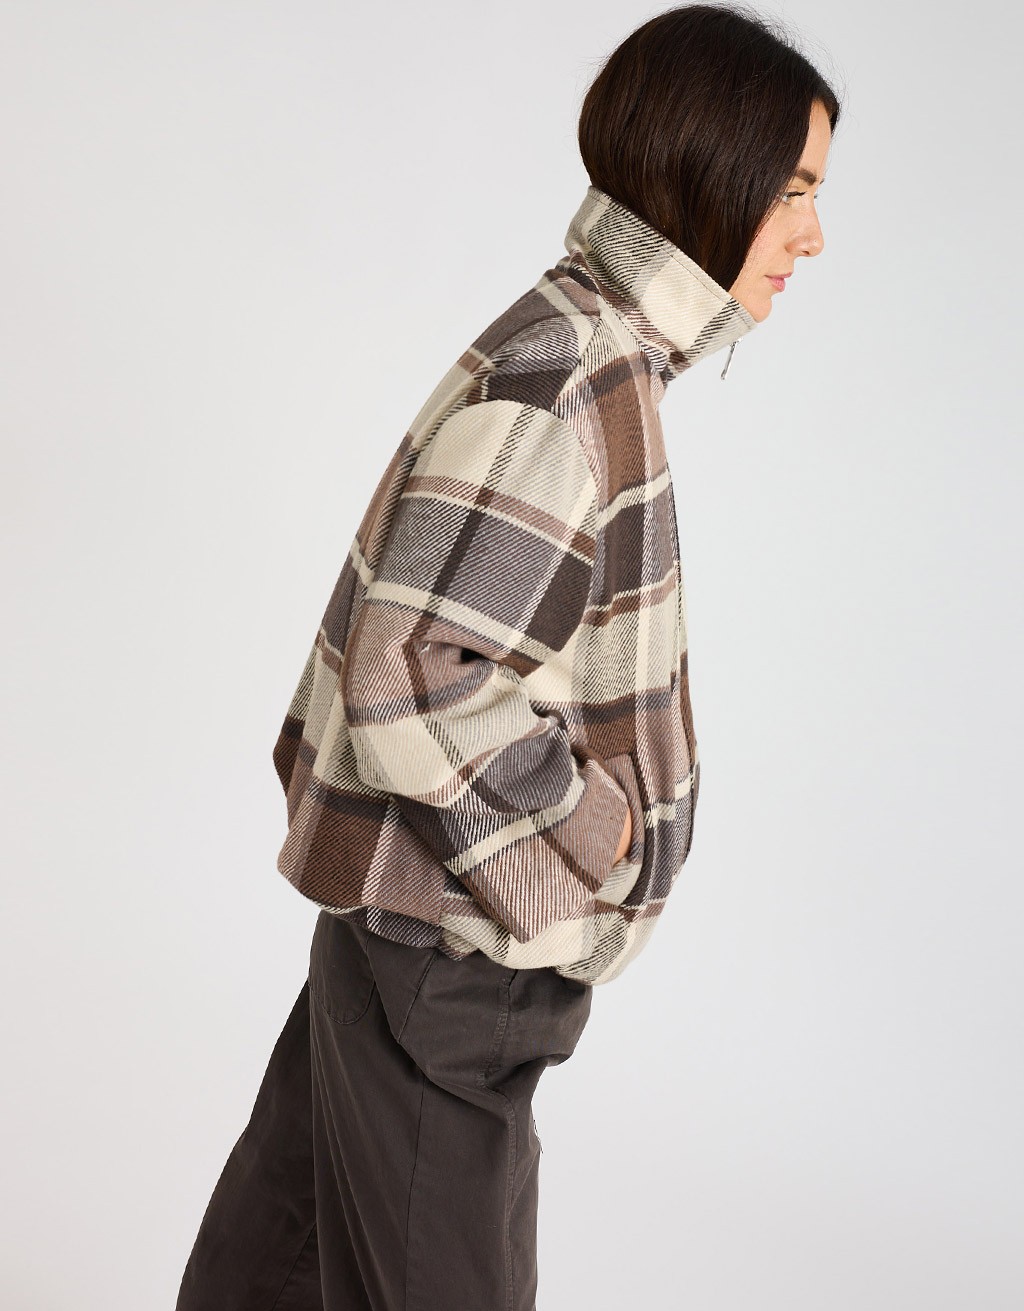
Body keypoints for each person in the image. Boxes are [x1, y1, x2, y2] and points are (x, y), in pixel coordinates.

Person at [175, 5, 842, 1309]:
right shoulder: (569, 381)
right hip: (453, 958)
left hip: (413, 938)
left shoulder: (594, 352)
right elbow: (415, 671)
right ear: (713, 168)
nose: (812, 235)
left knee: (274, 1269)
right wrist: (592, 838)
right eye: (797, 191)